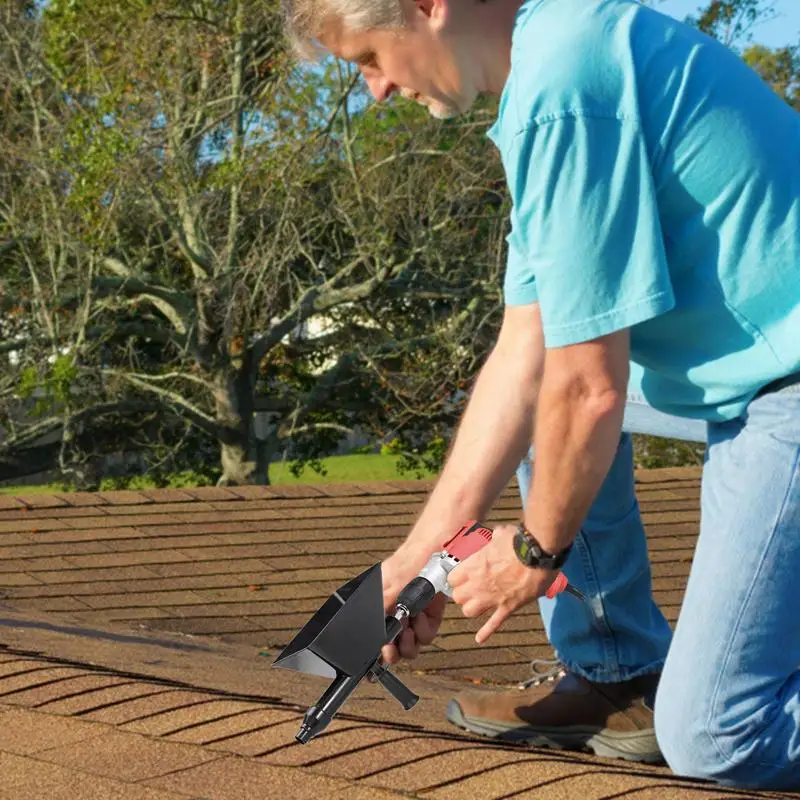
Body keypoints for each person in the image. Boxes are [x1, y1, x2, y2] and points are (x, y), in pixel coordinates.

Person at [281, 0, 800, 789]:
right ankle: (618, 678)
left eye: (367, 58)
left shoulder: (565, 85)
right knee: (533, 413)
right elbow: (525, 358)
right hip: (752, 368)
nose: (377, 90)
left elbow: (590, 387)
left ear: (427, 8)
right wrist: (411, 563)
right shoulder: (550, 68)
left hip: (784, 387)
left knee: (717, 735)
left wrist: (532, 550)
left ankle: (662, 697)